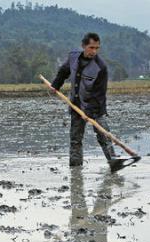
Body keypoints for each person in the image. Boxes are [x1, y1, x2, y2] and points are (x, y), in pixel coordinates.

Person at [49, 32, 119, 170]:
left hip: (95, 108)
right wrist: (56, 85)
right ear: (83, 46)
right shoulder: (73, 57)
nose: (94, 51)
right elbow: (63, 71)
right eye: (91, 47)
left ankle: (114, 163)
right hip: (76, 105)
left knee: (104, 137)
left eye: (97, 48)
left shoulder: (101, 67)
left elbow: (100, 95)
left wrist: (88, 112)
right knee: (75, 140)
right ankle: (75, 171)